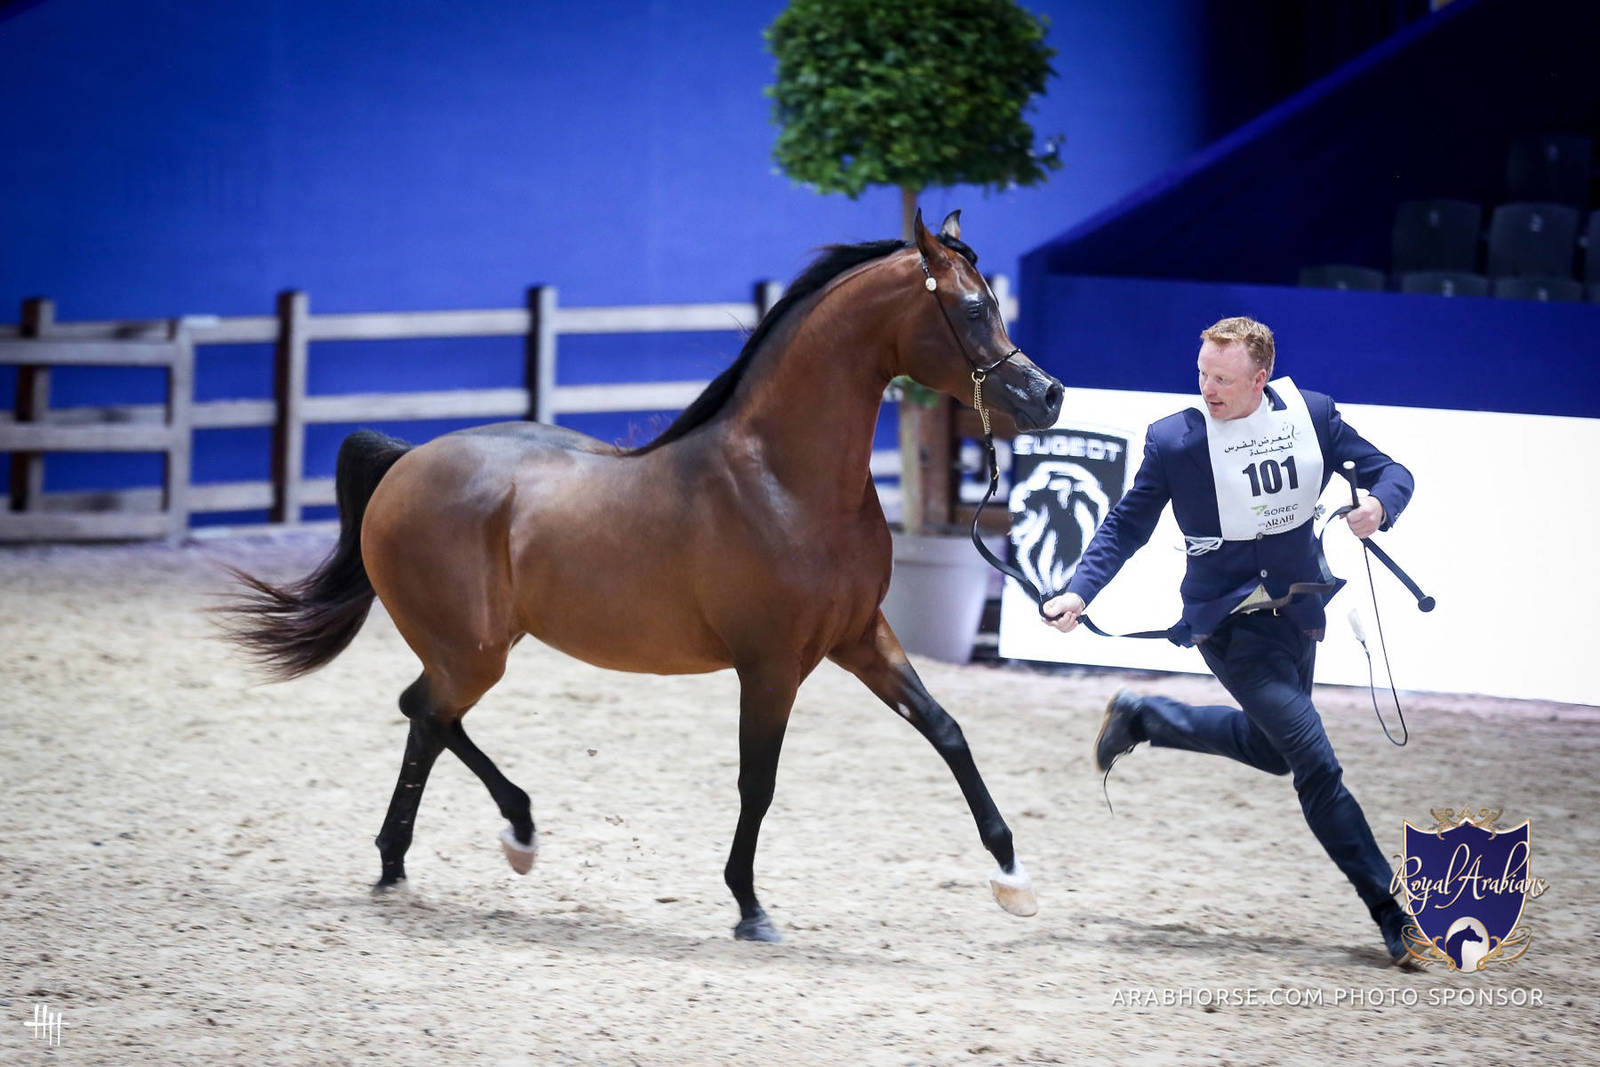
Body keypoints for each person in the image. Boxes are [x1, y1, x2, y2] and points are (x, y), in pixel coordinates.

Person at [1042, 315, 1419, 968]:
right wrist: (1080, 590)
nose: (1208, 389)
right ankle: (1393, 914)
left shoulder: (1312, 417)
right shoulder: (1177, 442)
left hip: (1299, 616)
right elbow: (1125, 525)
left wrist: (1379, 506)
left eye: (1223, 378)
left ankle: (1147, 714)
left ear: (1260, 378)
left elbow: (1392, 472)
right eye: (1202, 374)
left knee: (1275, 752)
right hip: (1231, 630)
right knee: (1315, 764)